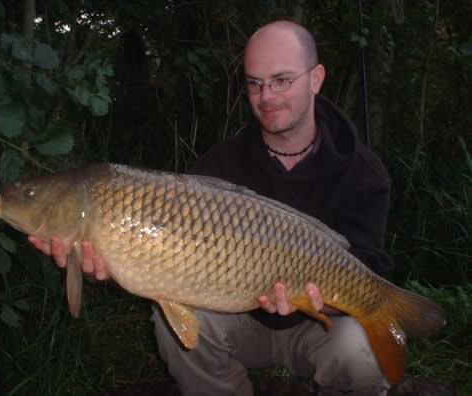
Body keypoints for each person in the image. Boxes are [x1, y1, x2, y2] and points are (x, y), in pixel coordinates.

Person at [29, 20, 393, 396]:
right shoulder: (219, 165)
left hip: (319, 328)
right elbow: (160, 264)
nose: (266, 95)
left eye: (281, 80)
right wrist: (97, 268)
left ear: (315, 78)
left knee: (358, 346)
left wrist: (326, 302)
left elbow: (369, 267)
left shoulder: (362, 172)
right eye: (254, 83)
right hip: (236, 321)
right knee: (171, 326)